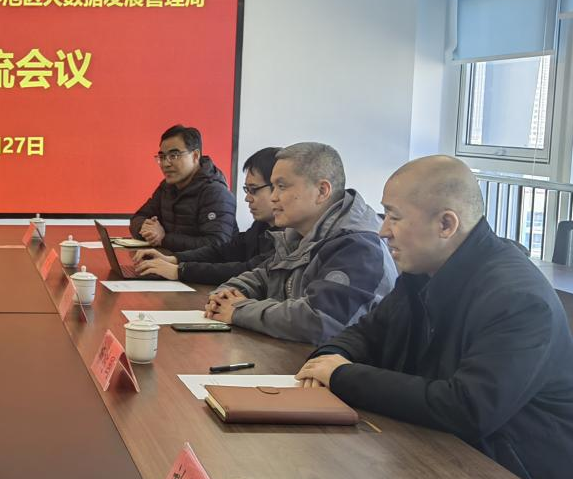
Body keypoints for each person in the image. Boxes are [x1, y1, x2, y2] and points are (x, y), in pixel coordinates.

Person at [296, 155, 573, 479]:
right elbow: (366, 334)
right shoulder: (423, 273)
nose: (383, 231)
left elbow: (467, 408)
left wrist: (341, 375)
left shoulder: (518, 299)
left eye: (394, 217)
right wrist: (327, 359)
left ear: (446, 224)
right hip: (441, 458)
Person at [204, 142, 396, 345]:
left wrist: (239, 310)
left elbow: (320, 320)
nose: (273, 197)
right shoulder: (297, 236)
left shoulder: (359, 247)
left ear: (322, 191)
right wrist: (224, 296)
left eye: (281, 186)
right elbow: (264, 276)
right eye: (273, 187)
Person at [133, 146, 281, 284]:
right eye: (247, 190)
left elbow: (249, 270)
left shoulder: (288, 238)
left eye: (254, 190)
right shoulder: (261, 226)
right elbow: (223, 251)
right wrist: (174, 259)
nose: (247, 198)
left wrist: (180, 270)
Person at [130, 124, 237, 252]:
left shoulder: (216, 193)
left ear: (195, 156)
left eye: (174, 155)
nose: (165, 164)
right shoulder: (167, 187)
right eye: (162, 157)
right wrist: (148, 230)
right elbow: (138, 217)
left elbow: (217, 245)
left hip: (200, 265)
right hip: (169, 260)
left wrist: (164, 239)